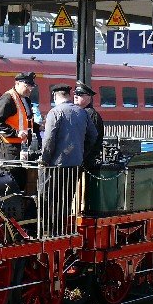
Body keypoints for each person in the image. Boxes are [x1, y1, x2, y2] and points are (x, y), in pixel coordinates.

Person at [40, 84, 98, 235]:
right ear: (68, 95)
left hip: (55, 165)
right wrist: (81, 153)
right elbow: (93, 136)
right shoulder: (82, 113)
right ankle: (61, 229)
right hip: (74, 165)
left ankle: (48, 230)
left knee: (48, 197)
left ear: (55, 96)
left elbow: (48, 140)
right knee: (66, 198)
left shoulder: (55, 112)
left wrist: (44, 160)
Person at [0, 72, 35, 161]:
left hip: (22, 145)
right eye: (27, 86)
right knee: (10, 173)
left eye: (31, 87)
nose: (30, 89)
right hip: (8, 146)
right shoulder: (8, 98)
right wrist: (16, 133)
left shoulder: (25, 99)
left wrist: (38, 126)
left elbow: (24, 120)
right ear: (17, 83)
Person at [74, 82, 104, 167]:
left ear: (89, 97)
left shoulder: (91, 114)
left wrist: (81, 157)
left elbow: (90, 139)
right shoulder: (81, 113)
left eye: (80, 94)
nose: (76, 96)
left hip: (87, 160)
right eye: (75, 94)